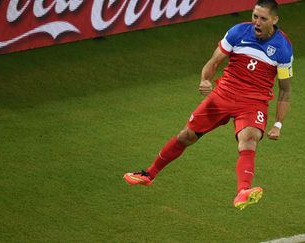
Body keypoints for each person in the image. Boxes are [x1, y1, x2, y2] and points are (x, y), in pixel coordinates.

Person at [124, 0, 293, 210]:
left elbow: (285, 89)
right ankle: (149, 174)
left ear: (274, 20)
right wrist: (205, 79)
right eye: (254, 16)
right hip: (223, 95)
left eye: (263, 18)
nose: (257, 22)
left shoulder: (283, 48)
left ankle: (242, 191)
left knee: (249, 140)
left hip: (253, 102)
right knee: (186, 136)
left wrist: (278, 125)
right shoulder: (237, 33)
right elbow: (213, 62)